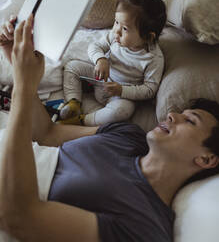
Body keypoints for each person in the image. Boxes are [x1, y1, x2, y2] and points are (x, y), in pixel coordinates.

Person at [0, 17, 219, 242]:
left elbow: (19, 217)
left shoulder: (144, 226)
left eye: (190, 121)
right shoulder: (127, 135)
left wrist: (24, 85)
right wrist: (17, 65)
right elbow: (46, 134)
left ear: (207, 158)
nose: (172, 115)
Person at [59, 0, 166, 126]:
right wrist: (100, 59)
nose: (116, 30)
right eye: (116, 22)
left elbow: (149, 89)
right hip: (100, 78)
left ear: (148, 37)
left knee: (124, 111)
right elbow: (95, 46)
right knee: (72, 67)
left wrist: (122, 90)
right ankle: (73, 103)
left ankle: (82, 121)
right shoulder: (115, 36)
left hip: (119, 95)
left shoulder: (153, 59)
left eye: (125, 28)